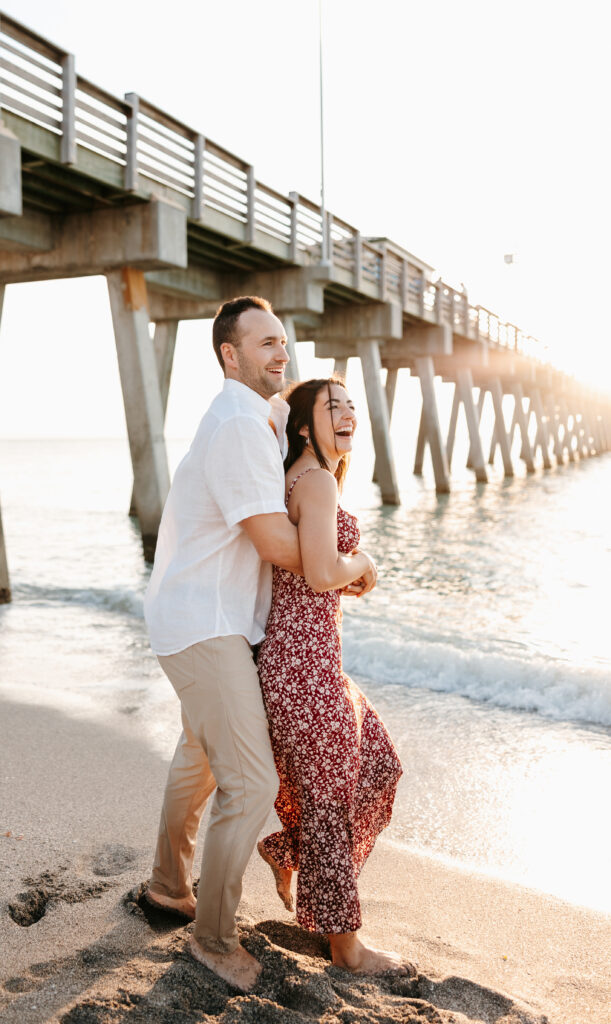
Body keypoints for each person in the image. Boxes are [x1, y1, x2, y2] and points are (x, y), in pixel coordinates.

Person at [142, 297, 365, 991]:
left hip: (204, 618)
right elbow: (275, 542)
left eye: (283, 343)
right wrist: (348, 566)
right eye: (263, 343)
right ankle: (210, 939)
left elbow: (301, 436)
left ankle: (165, 887)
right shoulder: (239, 423)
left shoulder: (257, 416)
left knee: (200, 761)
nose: (279, 353)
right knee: (253, 781)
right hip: (207, 624)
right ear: (227, 355)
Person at [256, 377, 414, 977]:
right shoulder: (317, 479)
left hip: (310, 660)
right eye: (332, 406)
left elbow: (310, 567)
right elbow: (322, 571)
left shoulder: (301, 478)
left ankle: (286, 850)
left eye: (351, 405)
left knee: (375, 765)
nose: (348, 413)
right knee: (331, 798)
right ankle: (347, 948)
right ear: (303, 426)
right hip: (306, 665)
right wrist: (364, 565)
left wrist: (342, 572)